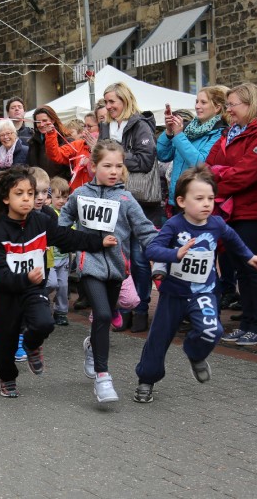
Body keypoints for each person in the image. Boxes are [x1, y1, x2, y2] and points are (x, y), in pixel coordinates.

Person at [134, 165, 257, 403]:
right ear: (181, 201)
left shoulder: (216, 224)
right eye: (199, 199)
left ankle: (195, 354)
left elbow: (233, 238)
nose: (207, 204)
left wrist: (249, 256)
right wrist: (175, 254)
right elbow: (152, 249)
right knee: (159, 339)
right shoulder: (174, 225)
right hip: (174, 294)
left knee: (212, 330)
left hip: (204, 293)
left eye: (211, 198)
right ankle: (147, 380)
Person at [0, 165, 115, 398]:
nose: (27, 199)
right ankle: (7, 377)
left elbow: (67, 237)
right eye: (19, 194)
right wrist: (24, 277)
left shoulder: (42, 222)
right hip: (6, 294)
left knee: (44, 323)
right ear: (6, 198)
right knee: (5, 344)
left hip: (33, 289)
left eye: (31, 193)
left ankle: (32, 345)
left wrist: (98, 242)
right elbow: (0, 274)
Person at [59, 140, 159, 403]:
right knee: (103, 314)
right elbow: (62, 224)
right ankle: (103, 378)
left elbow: (146, 231)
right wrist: (78, 244)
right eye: (107, 166)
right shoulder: (80, 195)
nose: (114, 171)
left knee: (104, 319)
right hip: (89, 265)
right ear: (93, 166)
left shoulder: (126, 199)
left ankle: (93, 347)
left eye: (118, 166)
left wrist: (165, 254)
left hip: (117, 269)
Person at [205, 83, 257, 348]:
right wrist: (220, 173)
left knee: (255, 268)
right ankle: (248, 323)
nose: (228, 110)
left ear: (250, 104)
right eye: (227, 105)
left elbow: (247, 173)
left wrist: (217, 180)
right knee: (242, 270)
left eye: (232, 105)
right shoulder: (228, 133)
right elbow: (207, 166)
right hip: (232, 211)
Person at [98, 82, 158, 333]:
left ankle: (141, 309)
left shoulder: (139, 124)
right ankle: (124, 307)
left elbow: (146, 161)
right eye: (106, 102)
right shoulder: (106, 126)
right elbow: (100, 160)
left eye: (112, 101)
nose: (108, 106)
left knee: (140, 260)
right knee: (119, 259)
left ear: (125, 100)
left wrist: (116, 156)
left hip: (139, 201)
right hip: (112, 200)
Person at [158, 86, 228, 214]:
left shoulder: (219, 133)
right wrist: (168, 131)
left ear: (217, 107)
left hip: (198, 201)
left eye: (203, 102)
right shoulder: (188, 129)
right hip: (178, 199)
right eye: (196, 102)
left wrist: (178, 135)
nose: (197, 106)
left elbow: (201, 163)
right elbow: (162, 155)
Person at [43, 111, 98, 192]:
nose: (85, 130)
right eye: (85, 126)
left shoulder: (107, 145)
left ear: (100, 126)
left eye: (89, 127)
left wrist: (91, 160)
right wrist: (51, 134)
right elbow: (55, 155)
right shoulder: (79, 144)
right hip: (76, 193)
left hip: (96, 194)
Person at [46, 177, 72, 326]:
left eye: (65, 197)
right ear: (50, 197)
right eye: (58, 197)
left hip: (64, 257)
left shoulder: (68, 214)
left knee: (63, 286)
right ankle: (43, 303)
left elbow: (73, 230)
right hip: (51, 258)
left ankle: (61, 312)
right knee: (51, 283)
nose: (62, 201)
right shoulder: (49, 213)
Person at [0, 98, 34, 165]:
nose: (17, 109)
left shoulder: (31, 134)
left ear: (24, 112)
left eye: (19, 107)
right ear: (8, 113)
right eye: (13, 108)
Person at [26, 106, 71, 179]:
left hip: (59, 184)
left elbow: (69, 169)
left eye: (44, 120)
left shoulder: (66, 141)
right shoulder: (32, 143)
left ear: (53, 120)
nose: (41, 124)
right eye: (38, 122)